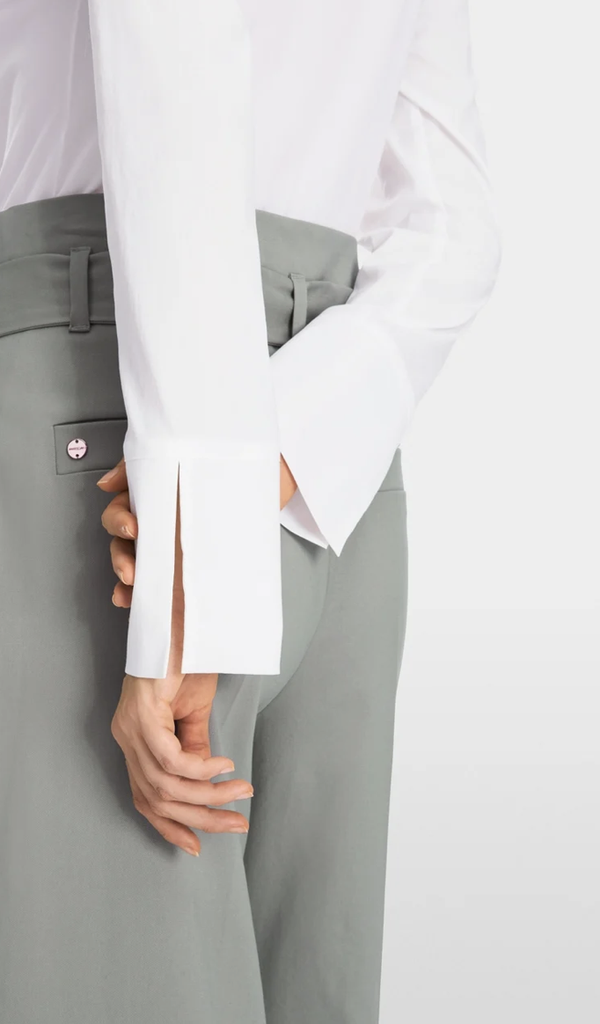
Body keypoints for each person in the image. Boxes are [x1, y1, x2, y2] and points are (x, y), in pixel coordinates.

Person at [0, 1, 501, 1022]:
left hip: (119, 409)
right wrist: (296, 436)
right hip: (331, 458)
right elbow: (452, 225)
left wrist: (202, 541)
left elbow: (172, 73)